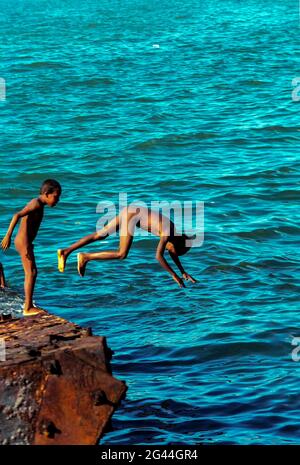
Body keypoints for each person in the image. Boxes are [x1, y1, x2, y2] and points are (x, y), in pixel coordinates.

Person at [57, 205, 196, 288]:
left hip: (131, 210)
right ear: (177, 246)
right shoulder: (168, 233)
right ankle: (86, 257)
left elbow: (172, 252)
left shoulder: (174, 235)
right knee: (122, 254)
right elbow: (158, 256)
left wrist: (182, 271)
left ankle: (66, 251)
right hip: (131, 217)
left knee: (100, 235)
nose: (169, 251)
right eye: (174, 252)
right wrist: (173, 275)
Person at [1, 179, 61, 315]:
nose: (57, 200)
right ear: (46, 193)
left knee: (32, 272)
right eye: (56, 197)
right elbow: (17, 215)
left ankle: (28, 305)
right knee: (31, 272)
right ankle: (27, 307)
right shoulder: (36, 204)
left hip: (26, 242)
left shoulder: (39, 204)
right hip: (23, 242)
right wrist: (7, 236)